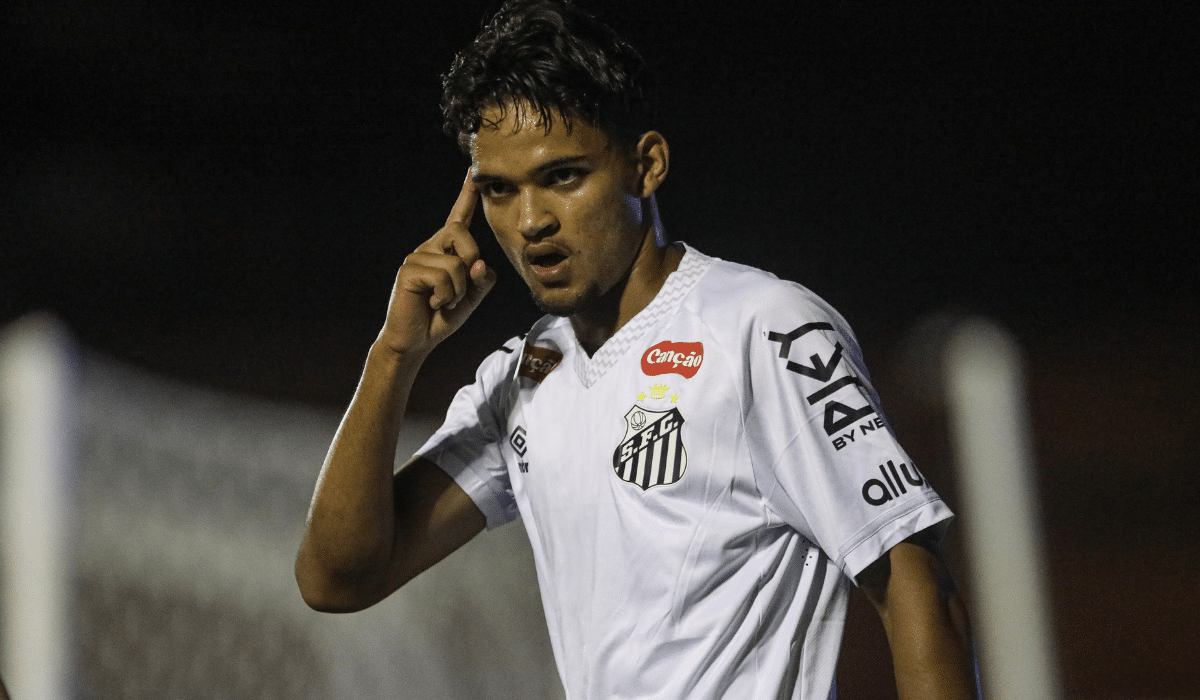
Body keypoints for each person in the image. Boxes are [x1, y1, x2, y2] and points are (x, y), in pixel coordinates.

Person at [295, 1, 978, 697]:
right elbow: (338, 577)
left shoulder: (761, 328)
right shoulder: (521, 379)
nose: (530, 222)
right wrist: (394, 356)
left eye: (562, 176)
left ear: (646, 165)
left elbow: (915, 584)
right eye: (500, 191)